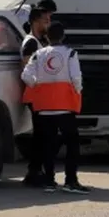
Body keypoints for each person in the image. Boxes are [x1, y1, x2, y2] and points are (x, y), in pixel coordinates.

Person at [21, 21, 89, 194]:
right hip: (65, 107)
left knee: (48, 145)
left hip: (44, 107)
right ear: (63, 36)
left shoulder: (38, 54)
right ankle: (70, 181)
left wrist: (37, 86)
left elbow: (26, 75)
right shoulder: (70, 54)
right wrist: (77, 91)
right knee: (72, 144)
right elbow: (76, 78)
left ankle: (49, 181)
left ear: (47, 36)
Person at [20, 8, 51, 187]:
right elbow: (27, 69)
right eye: (45, 20)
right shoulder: (31, 43)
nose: (48, 23)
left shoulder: (42, 41)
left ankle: (37, 170)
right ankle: (34, 172)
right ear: (35, 22)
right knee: (40, 135)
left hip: (43, 96)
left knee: (43, 134)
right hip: (36, 96)